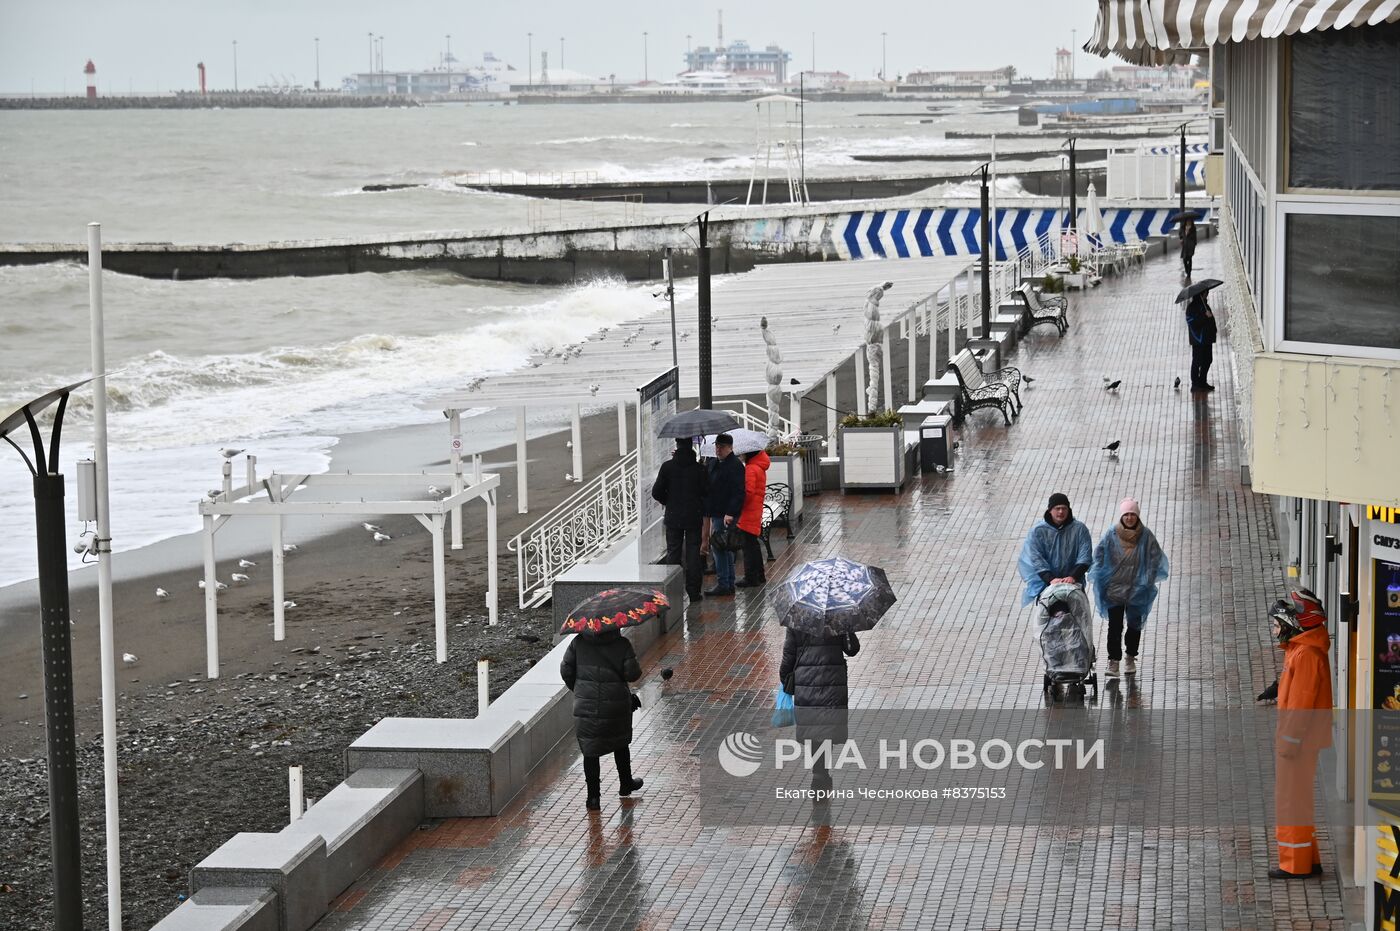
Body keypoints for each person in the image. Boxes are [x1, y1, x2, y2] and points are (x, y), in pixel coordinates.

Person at [1268, 589, 1332, 879]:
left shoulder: (1305, 654)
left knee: (1290, 801)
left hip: (1298, 742)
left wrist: (1289, 742)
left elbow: (1301, 704)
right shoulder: (1303, 649)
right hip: (1302, 740)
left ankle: (1294, 864)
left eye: (1278, 624)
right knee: (1300, 800)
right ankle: (1309, 858)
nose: (1275, 629)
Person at [561, 628, 644, 811]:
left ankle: (593, 798)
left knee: (590, 749)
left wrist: (580, 691)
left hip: (586, 705)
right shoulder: (622, 644)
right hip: (616, 702)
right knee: (620, 742)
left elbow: (566, 670)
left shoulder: (578, 643)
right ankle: (626, 783)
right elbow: (633, 674)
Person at [1088, 497, 1170, 678]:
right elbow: (1099, 556)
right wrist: (1104, 578)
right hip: (1115, 589)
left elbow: (1155, 558)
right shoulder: (1111, 534)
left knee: (1134, 625)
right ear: (1122, 516)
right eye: (1127, 514)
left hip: (1137, 589)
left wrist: (1146, 580)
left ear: (1137, 516)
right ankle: (1114, 660)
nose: (1130, 518)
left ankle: (1131, 656)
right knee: (1115, 626)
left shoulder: (1146, 536)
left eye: (1133, 514)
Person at [779, 626, 860, 791]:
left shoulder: (798, 619)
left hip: (806, 681)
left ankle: (818, 770)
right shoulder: (838, 619)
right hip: (832, 680)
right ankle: (822, 770)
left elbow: (789, 656)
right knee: (827, 726)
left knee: (813, 726)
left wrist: (785, 678)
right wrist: (847, 628)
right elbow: (852, 650)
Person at [651, 438, 709, 602]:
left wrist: (668, 501)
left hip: (673, 516)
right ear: (691, 446)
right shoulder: (699, 468)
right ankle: (694, 592)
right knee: (693, 554)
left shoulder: (667, 467)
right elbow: (706, 491)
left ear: (676, 445)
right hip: (693, 516)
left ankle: (673, 592)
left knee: (673, 553)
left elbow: (656, 492)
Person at [1018, 492, 1094, 607]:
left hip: (1074, 586)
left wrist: (1073, 576)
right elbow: (1036, 557)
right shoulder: (1038, 531)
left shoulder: (1080, 529)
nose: (1061, 512)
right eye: (1057, 508)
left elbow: (1085, 555)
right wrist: (1051, 579)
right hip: (1047, 587)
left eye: (1064, 508)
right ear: (1050, 510)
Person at [704, 433, 746, 597]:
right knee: (725, 547)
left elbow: (738, 492)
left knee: (720, 548)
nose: (718, 449)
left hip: (725, 514)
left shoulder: (735, 465)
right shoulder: (714, 463)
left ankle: (724, 583)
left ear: (730, 447)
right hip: (716, 512)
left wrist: (730, 512)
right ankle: (728, 582)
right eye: (717, 446)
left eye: (721, 447)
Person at [734, 448, 771, 587]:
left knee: (748, 547)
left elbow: (748, 492)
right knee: (753, 545)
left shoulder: (750, 469)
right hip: (756, 510)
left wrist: (738, 503)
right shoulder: (758, 467)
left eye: (743, 453)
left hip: (749, 511)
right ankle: (759, 575)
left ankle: (750, 578)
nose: (741, 455)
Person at [1185, 292, 1218, 392]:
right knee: (1197, 361)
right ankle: (1195, 384)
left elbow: (1211, 319)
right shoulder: (1192, 307)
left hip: (1207, 338)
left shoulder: (1205, 305)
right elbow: (1192, 322)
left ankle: (1202, 381)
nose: (1207, 295)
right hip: (1198, 339)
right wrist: (1205, 316)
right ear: (1200, 295)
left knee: (1208, 360)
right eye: (1205, 293)